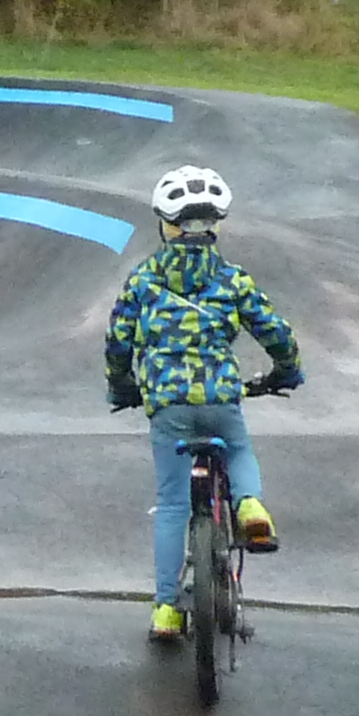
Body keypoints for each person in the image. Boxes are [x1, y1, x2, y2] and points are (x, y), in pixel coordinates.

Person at [103, 164, 302, 643]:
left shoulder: (144, 280)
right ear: (214, 226)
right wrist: (285, 371)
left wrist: (122, 385)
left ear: (165, 225)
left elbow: (118, 341)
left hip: (168, 404)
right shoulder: (232, 279)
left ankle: (166, 611)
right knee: (237, 449)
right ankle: (249, 505)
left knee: (173, 505)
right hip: (220, 396)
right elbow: (275, 331)